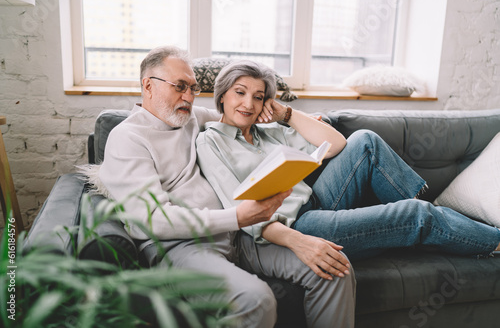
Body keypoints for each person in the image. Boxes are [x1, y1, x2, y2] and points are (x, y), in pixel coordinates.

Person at [98, 46, 356, 328]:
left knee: (333, 268)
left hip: (238, 236)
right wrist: (237, 217)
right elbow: (152, 220)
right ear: (148, 85)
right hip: (181, 247)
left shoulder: (191, 116)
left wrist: (280, 112)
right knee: (256, 300)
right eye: (179, 87)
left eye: (193, 88)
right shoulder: (127, 139)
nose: (188, 97)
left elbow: (238, 111)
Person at [195, 59, 500, 277]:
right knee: (416, 214)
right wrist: (297, 241)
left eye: (258, 97)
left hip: (316, 200)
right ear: (222, 95)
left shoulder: (270, 131)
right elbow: (238, 209)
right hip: (297, 225)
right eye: (240, 92)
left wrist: (286, 113)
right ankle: (489, 240)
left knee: (365, 140)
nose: (249, 103)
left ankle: (436, 225)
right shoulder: (210, 142)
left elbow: (336, 145)